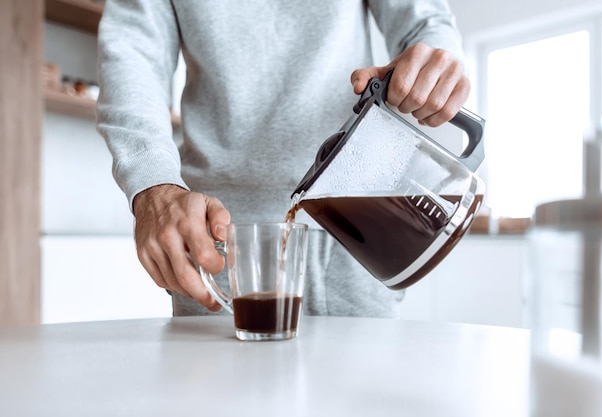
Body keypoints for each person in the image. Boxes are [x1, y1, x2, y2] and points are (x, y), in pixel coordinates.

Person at [96, 0, 470, 318]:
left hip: (358, 232)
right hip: (217, 242)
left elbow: (425, 22)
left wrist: (435, 64)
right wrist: (153, 187)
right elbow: (132, 51)